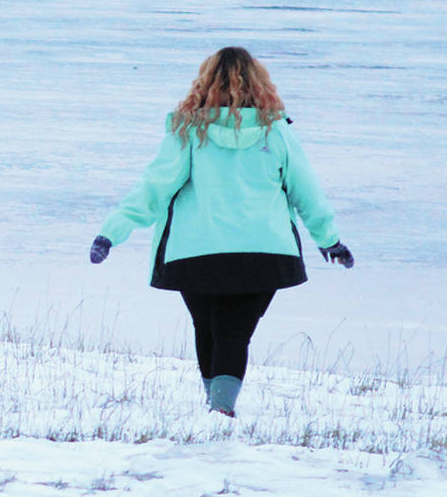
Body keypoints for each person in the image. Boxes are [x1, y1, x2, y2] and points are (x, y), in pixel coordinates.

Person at [89, 45, 353, 417]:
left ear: (205, 82)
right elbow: (306, 191)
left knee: (208, 327)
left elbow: (154, 187)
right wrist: (331, 240)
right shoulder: (275, 133)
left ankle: (217, 408)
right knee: (234, 332)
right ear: (261, 85)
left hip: (194, 254)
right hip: (265, 254)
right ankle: (220, 409)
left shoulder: (189, 132)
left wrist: (111, 233)